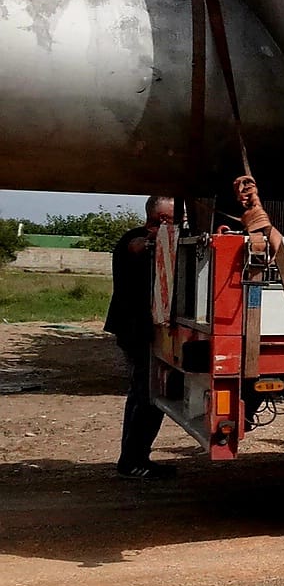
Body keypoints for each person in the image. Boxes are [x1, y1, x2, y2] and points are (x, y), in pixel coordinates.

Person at [104, 196, 177, 480]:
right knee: (145, 396)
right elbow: (136, 248)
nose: (177, 223)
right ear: (160, 219)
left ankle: (136, 457)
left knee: (144, 395)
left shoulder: (149, 241)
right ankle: (133, 460)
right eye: (173, 219)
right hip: (135, 331)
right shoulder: (135, 241)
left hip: (137, 330)